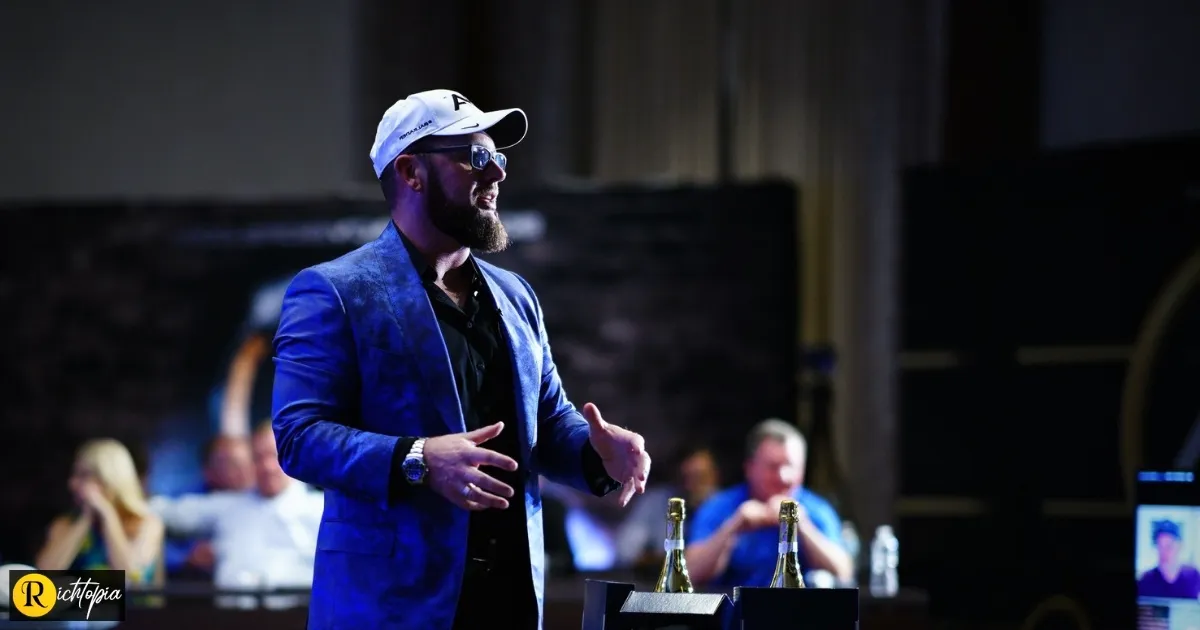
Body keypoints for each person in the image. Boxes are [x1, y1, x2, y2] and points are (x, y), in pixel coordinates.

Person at [272, 88, 651, 630]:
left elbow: (547, 424)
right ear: (410, 172)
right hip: (392, 607)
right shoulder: (333, 290)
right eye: (475, 157)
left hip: (510, 600)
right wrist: (419, 458)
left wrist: (596, 455)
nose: (495, 173)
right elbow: (299, 437)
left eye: (498, 157)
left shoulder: (515, 295)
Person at [151, 421, 323, 608]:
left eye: (274, 456)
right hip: (231, 621)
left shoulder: (322, 509)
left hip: (299, 620)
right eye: (258, 458)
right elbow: (167, 512)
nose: (267, 466)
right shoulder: (230, 505)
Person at [686, 419, 852, 587]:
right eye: (773, 467)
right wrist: (733, 527)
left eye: (791, 466)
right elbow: (690, 575)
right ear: (750, 468)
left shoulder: (816, 509)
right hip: (738, 610)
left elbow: (843, 572)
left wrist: (802, 525)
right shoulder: (720, 507)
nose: (783, 476)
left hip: (798, 611)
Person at [34, 439, 165, 586]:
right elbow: (43, 577)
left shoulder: (147, 523)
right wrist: (86, 518)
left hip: (134, 608)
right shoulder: (66, 523)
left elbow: (130, 579)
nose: (72, 484)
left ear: (110, 479)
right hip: (82, 607)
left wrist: (107, 514)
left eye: (83, 476)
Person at [1138, 519, 1200, 599]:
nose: (1164, 552)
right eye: (1160, 546)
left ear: (1179, 546)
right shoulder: (1146, 579)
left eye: (1169, 546)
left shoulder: (1193, 575)